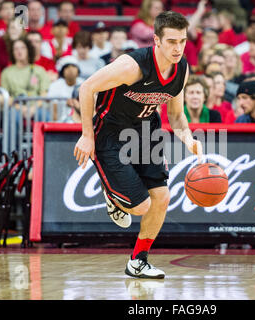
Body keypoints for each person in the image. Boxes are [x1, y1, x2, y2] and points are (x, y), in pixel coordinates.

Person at [74, 11, 203, 279]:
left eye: (182, 41)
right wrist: (87, 135)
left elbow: (177, 116)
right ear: (156, 40)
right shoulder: (131, 66)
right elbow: (87, 88)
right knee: (140, 206)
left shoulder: (182, 68)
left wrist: (189, 139)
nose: (178, 48)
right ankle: (113, 196)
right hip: (110, 132)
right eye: (171, 41)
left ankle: (138, 260)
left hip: (146, 130)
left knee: (162, 197)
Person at [48, 56, 83, 121]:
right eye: (67, 67)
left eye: (73, 66)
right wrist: (65, 103)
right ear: (62, 71)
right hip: (60, 123)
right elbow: (53, 109)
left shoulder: (84, 84)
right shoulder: (54, 86)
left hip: (80, 122)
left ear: (78, 70)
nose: (70, 69)